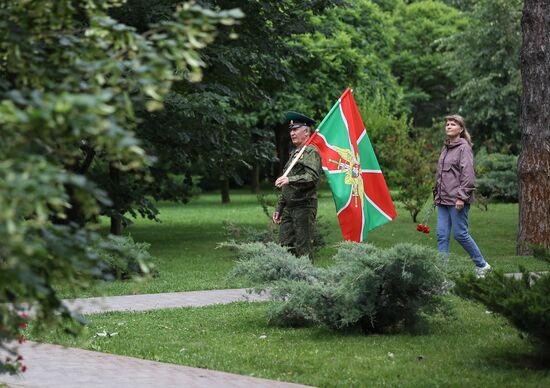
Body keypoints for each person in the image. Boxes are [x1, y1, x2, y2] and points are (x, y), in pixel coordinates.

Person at [434, 114, 491, 278]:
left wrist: (461, 197)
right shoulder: (446, 147)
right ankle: (441, 274)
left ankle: (483, 265)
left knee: (460, 234)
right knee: (441, 235)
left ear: (461, 129)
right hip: (442, 200)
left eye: (453, 124)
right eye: (447, 124)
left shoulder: (463, 148)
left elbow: (468, 175)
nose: (449, 126)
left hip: (457, 200)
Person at [272, 111, 322, 261]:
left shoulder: (311, 151)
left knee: (303, 248)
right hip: (289, 208)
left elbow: (312, 177)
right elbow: (286, 186)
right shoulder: (295, 153)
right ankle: (290, 280)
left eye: (295, 129)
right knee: (284, 246)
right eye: (291, 130)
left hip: (303, 206)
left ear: (306, 131)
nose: (292, 133)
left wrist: (290, 179)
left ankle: (309, 282)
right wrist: (279, 208)